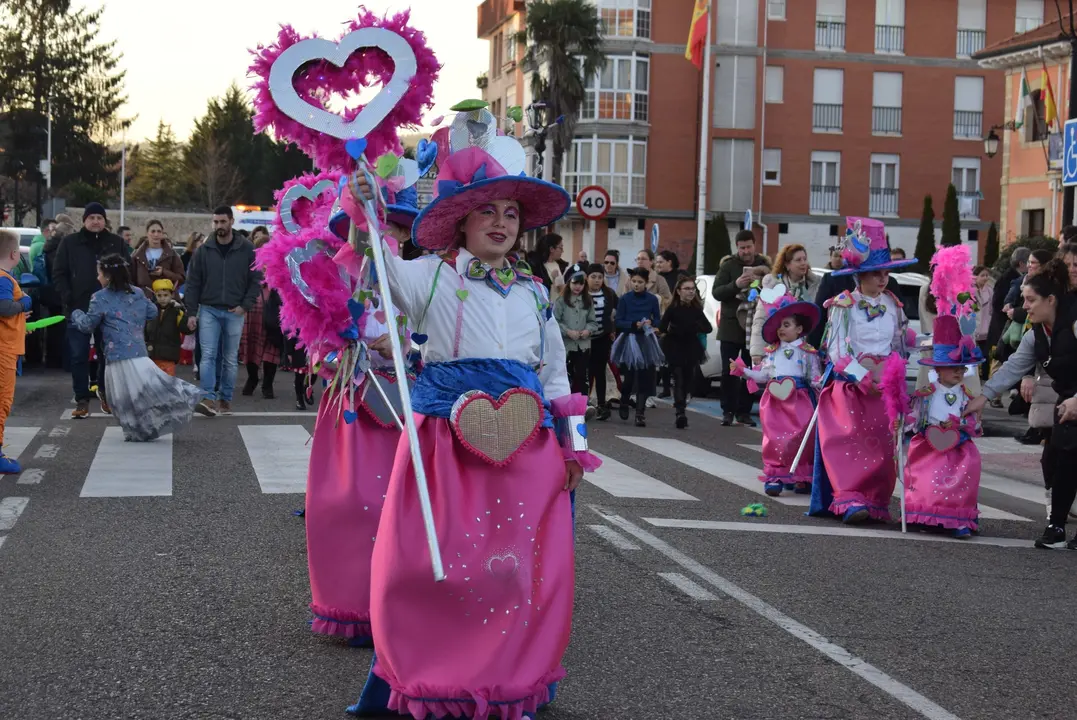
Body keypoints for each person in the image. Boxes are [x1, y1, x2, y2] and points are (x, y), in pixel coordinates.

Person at [342, 106, 597, 718]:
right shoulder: (429, 276)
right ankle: (435, 678)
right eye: (488, 210)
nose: (502, 223)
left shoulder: (536, 293)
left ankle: (509, 677)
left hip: (527, 441)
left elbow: (558, 375)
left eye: (512, 214)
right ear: (460, 221)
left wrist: (573, 446)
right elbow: (374, 272)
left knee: (516, 569)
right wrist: (362, 216)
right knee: (435, 564)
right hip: (443, 441)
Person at [809, 217, 915, 524]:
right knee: (849, 442)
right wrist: (860, 376)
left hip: (882, 390)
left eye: (885, 273)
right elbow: (836, 348)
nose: (883, 279)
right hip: (851, 387)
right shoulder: (843, 305)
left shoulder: (894, 305)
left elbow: (898, 347)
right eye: (875, 273)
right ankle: (850, 498)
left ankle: (874, 500)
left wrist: (896, 374)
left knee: (882, 447)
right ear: (859, 275)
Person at [966, 260, 1077, 548]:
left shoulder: (1074, 323)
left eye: (1030, 300)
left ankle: (1057, 527)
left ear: (1050, 300)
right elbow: (1014, 366)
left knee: (1067, 458)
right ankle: (1057, 527)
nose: (1024, 306)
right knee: (1055, 459)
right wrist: (983, 397)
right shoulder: (1036, 333)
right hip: (1068, 400)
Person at [70, 254, 205, 441]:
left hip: (117, 355)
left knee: (124, 398)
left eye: (99, 274)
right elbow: (151, 312)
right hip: (139, 352)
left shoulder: (99, 298)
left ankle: (141, 427)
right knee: (149, 387)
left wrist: (76, 313)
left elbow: (87, 325)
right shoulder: (137, 292)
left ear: (108, 276)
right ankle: (181, 399)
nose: (98, 278)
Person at [903, 314, 984, 538]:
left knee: (963, 477)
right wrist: (906, 419)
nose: (958, 372)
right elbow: (915, 418)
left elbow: (973, 421)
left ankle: (957, 518)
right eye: (952, 367)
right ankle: (925, 513)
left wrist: (962, 425)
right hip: (930, 445)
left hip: (958, 446)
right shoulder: (926, 393)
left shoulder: (967, 395)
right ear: (938, 369)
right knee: (928, 479)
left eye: (961, 367)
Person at [732, 293, 821, 495]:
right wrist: (744, 371)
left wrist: (823, 382)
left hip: (800, 398)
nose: (782, 329)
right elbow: (764, 375)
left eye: (787, 325)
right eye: (780, 325)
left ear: (799, 329)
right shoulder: (772, 351)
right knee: (775, 437)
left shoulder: (808, 352)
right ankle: (775, 475)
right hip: (775, 400)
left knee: (802, 436)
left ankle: (800, 474)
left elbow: (814, 377)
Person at [183, 206, 262, 416]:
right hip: (209, 309)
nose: (219, 226)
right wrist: (191, 312)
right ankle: (208, 397)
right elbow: (193, 283)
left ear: (231, 221)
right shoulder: (204, 250)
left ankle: (225, 398)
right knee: (207, 355)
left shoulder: (246, 248)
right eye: (215, 222)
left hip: (234, 311)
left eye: (223, 222)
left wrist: (245, 305)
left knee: (229, 357)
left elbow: (256, 280)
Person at [51, 202, 128, 418]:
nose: (95, 221)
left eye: (99, 218)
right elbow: (59, 272)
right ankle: (81, 399)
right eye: (91, 217)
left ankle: (105, 394)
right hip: (79, 307)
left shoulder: (116, 243)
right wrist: (67, 297)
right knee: (78, 354)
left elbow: (125, 270)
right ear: (84, 220)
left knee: (107, 354)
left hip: (109, 309)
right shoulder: (70, 243)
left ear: (105, 221)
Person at [711, 229, 769, 426]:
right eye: (742, 248)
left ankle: (744, 411)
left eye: (748, 247)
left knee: (751, 370)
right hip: (730, 327)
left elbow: (774, 288)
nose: (745, 251)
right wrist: (735, 284)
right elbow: (717, 292)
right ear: (737, 248)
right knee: (730, 372)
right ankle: (727, 410)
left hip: (754, 326)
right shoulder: (729, 266)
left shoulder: (764, 265)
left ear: (754, 245)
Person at [748, 243, 818, 363]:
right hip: (778, 349)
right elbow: (760, 320)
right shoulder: (773, 286)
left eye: (804, 259)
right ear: (787, 265)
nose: (803, 263)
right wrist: (757, 352)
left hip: (806, 351)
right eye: (798, 260)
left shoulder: (815, 285)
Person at [659, 276, 713, 429]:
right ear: (678, 291)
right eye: (687, 289)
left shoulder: (696, 309)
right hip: (674, 346)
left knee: (689, 379)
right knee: (678, 378)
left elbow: (707, 327)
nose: (691, 292)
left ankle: (682, 404)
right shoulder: (673, 308)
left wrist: (696, 326)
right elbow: (662, 326)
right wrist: (672, 329)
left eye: (693, 289)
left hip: (691, 347)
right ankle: (679, 411)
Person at [612, 268, 663, 427]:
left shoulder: (652, 299)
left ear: (646, 283)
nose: (636, 284)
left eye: (640, 282)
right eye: (634, 281)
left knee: (644, 378)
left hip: (646, 340)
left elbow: (658, 320)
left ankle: (640, 413)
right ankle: (624, 401)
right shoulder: (625, 299)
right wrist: (633, 324)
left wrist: (651, 324)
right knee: (629, 377)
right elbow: (618, 321)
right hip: (629, 339)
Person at [0, 231, 33, 473]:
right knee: (2, 402)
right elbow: (3, 307)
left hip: (6, 345)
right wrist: (24, 304)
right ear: (14, 254)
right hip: (4, 350)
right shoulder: (4, 279)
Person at [554, 271, 599, 395]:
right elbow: (554, 322)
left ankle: (582, 406)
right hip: (566, 345)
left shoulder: (588, 300)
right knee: (565, 376)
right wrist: (567, 331)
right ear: (569, 283)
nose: (577, 287)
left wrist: (587, 330)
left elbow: (593, 322)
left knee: (582, 377)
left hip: (583, 345)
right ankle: (566, 406)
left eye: (581, 284)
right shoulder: (561, 301)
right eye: (575, 283)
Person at [586, 263, 618, 421]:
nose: (597, 280)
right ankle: (584, 403)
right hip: (584, 339)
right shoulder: (581, 293)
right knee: (586, 372)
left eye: (600, 277)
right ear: (587, 278)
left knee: (600, 372)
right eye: (593, 277)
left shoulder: (608, 294)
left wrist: (612, 328)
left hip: (602, 338)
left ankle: (601, 404)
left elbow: (616, 310)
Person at [145, 279, 190, 377]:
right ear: (155, 295)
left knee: (168, 384)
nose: (162, 298)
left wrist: (185, 315)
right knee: (153, 383)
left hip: (169, 357)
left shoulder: (177, 311)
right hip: (152, 355)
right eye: (159, 295)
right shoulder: (151, 311)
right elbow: (145, 331)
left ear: (172, 295)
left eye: (165, 295)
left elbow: (186, 329)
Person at [131, 219, 185, 294]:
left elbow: (181, 278)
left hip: (166, 299)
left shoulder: (171, 254)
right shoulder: (137, 255)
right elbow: (130, 279)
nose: (156, 234)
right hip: (143, 299)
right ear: (147, 233)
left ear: (162, 234)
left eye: (159, 231)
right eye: (153, 231)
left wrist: (164, 272)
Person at [972, 265, 994, 384]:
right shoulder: (969, 290)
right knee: (973, 355)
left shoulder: (989, 290)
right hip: (974, 327)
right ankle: (974, 378)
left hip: (986, 326)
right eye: (982, 275)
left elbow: (991, 309)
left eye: (986, 275)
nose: (985, 278)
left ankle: (984, 379)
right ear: (975, 277)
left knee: (985, 355)